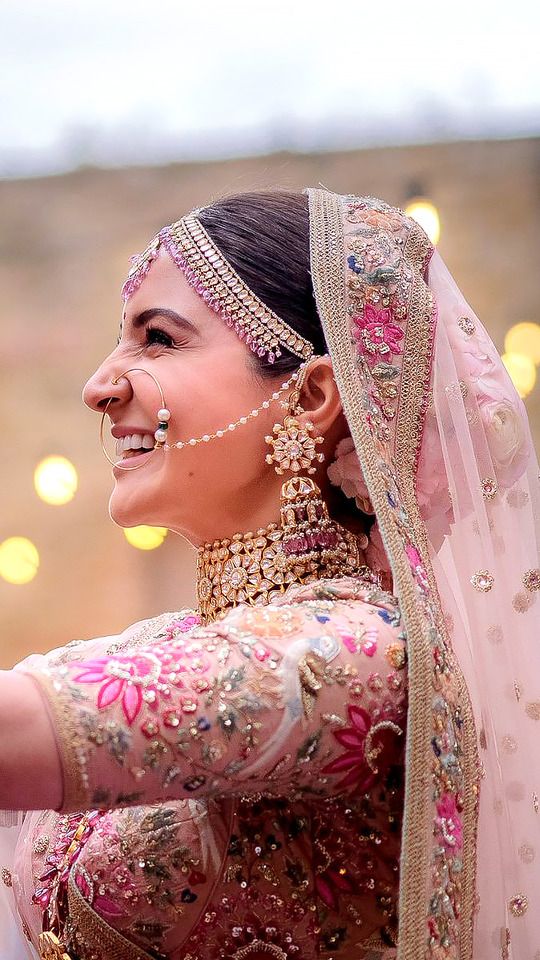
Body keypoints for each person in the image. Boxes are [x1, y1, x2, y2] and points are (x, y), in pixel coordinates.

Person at [0, 189, 538, 960]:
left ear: (312, 395)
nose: (101, 385)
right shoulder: (166, 641)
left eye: (157, 339)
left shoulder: (357, 655)